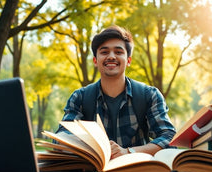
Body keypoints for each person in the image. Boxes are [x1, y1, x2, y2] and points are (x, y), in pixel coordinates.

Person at [56, 25, 176, 160]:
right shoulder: (79, 97)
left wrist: (128, 152)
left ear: (128, 60)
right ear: (95, 60)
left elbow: (169, 138)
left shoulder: (149, 95)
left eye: (118, 52)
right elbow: (61, 139)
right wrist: (94, 148)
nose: (111, 56)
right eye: (104, 52)